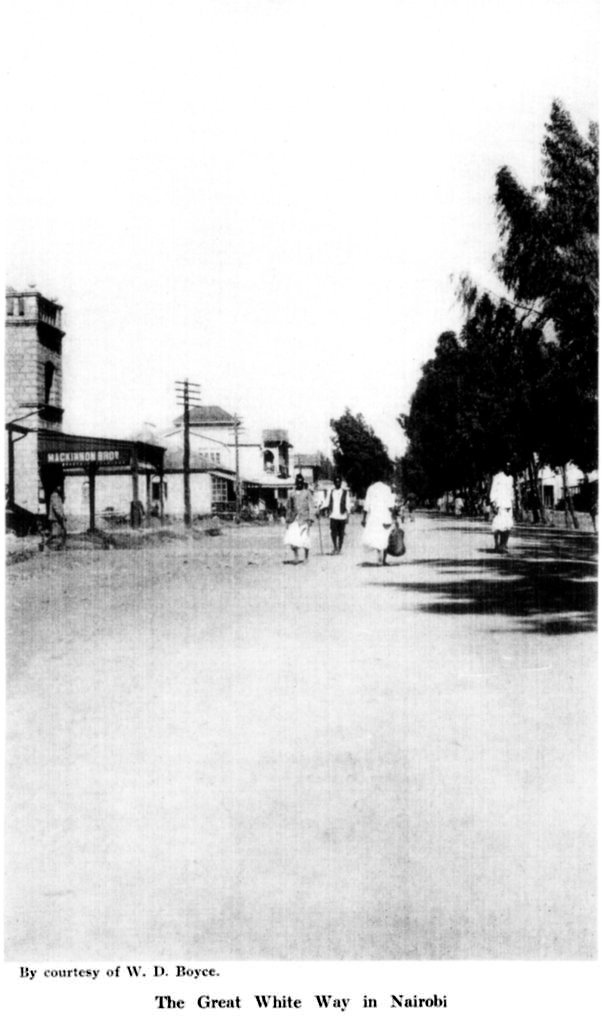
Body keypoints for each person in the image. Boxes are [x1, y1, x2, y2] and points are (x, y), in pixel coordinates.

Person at [362, 478, 396, 565]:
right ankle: (383, 560)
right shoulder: (387, 488)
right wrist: (394, 517)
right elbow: (390, 506)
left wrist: (364, 518)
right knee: (385, 537)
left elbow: (366, 505)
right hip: (385, 516)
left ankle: (379, 558)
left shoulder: (370, 488)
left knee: (377, 538)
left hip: (374, 517)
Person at [284, 474, 315, 563]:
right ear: (296, 482)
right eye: (298, 482)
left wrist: (311, 519)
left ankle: (306, 557)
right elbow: (289, 508)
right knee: (293, 539)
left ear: (303, 483)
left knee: (305, 538)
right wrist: (287, 520)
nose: (299, 484)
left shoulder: (307, 493)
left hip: (304, 519)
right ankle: (296, 557)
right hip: (294, 519)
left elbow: (311, 506)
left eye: (301, 482)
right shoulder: (291, 494)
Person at [489, 463, 514, 552]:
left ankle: (503, 545)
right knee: (498, 525)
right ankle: (497, 544)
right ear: (504, 467)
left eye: (510, 466)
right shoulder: (497, 477)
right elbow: (493, 490)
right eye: (507, 466)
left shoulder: (511, 478)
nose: (508, 468)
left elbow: (511, 492)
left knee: (508, 526)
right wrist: (493, 503)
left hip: (508, 505)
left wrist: (513, 503)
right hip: (500, 504)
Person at [325, 475, 350, 554]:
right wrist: (320, 508)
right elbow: (327, 502)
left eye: (339, 482)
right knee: (333, 532)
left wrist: (348, 516)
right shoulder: (331, 491)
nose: (337, 483)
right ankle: (335, 547)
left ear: (341, 483)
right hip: (333, 515)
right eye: (336, 482)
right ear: (334, 483)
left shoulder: (345, 492)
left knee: (341, 533)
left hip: (342, 516)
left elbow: (348, 504)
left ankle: (339, 548)